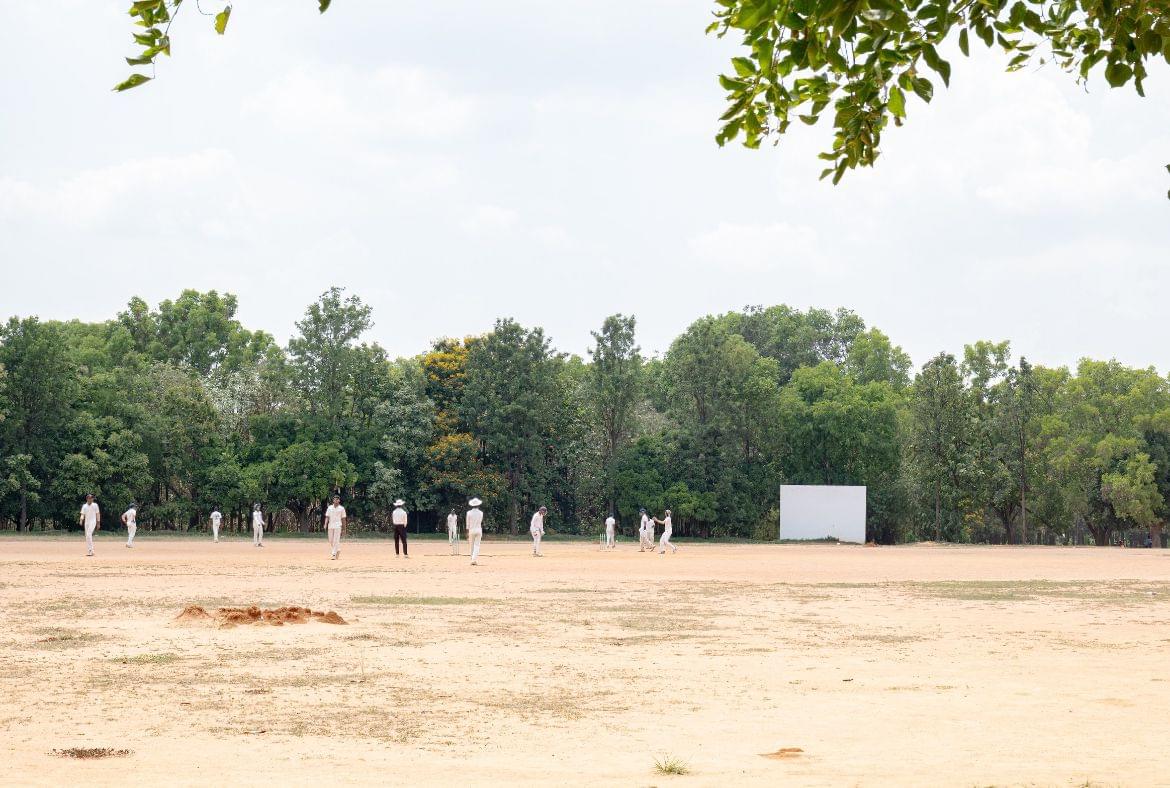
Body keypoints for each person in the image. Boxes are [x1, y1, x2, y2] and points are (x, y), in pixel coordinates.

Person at [325, 494, 347, 560]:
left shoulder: (342, 508)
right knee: (330, 540)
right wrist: (325, 524)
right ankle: (338, 549)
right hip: (330, 525)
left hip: (338, 525)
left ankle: (333, 554)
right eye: (334, 499)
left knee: (336, 540)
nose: (336, 500)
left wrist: (344, 529)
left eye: (337, 499)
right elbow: (327, 516)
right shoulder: (329, 508)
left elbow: (343, 519)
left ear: (339, 500)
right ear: (333, 500)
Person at [466, 497, 484, 566]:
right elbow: (480, 521)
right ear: (478, 505)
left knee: (471, 545)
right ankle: (473, 559)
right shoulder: (481, 513)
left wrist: (467, 532)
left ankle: (472, 559)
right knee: (477, 545)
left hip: (471, 530)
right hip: (478, 529)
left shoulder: (469, 513)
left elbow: (467, 523)